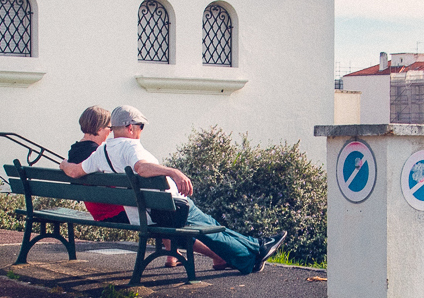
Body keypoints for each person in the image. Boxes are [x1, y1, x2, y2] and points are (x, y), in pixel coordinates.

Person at [59, 105, 286, 274]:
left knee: (209, 225)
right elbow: (141, 167)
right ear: (129, 128)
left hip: (144, 212)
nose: (141, 131)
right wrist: (173, 172)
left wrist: (63, 164)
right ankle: (253, 251)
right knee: (209, 225)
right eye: (140, 127)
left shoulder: (103, 151)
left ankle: (253, 251)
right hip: (164, 210)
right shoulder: (130, 146)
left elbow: (76, 172)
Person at [67, 106, 228, 270]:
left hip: (98, 209)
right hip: (115, 211)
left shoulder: (74, 151)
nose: (111, 133)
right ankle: (216, 256)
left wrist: (63, 165)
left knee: (157, 206)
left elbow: (75, 173)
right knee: (161, 210)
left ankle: (173, 254)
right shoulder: (98, 152)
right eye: (109, 128)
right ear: (100, 128)